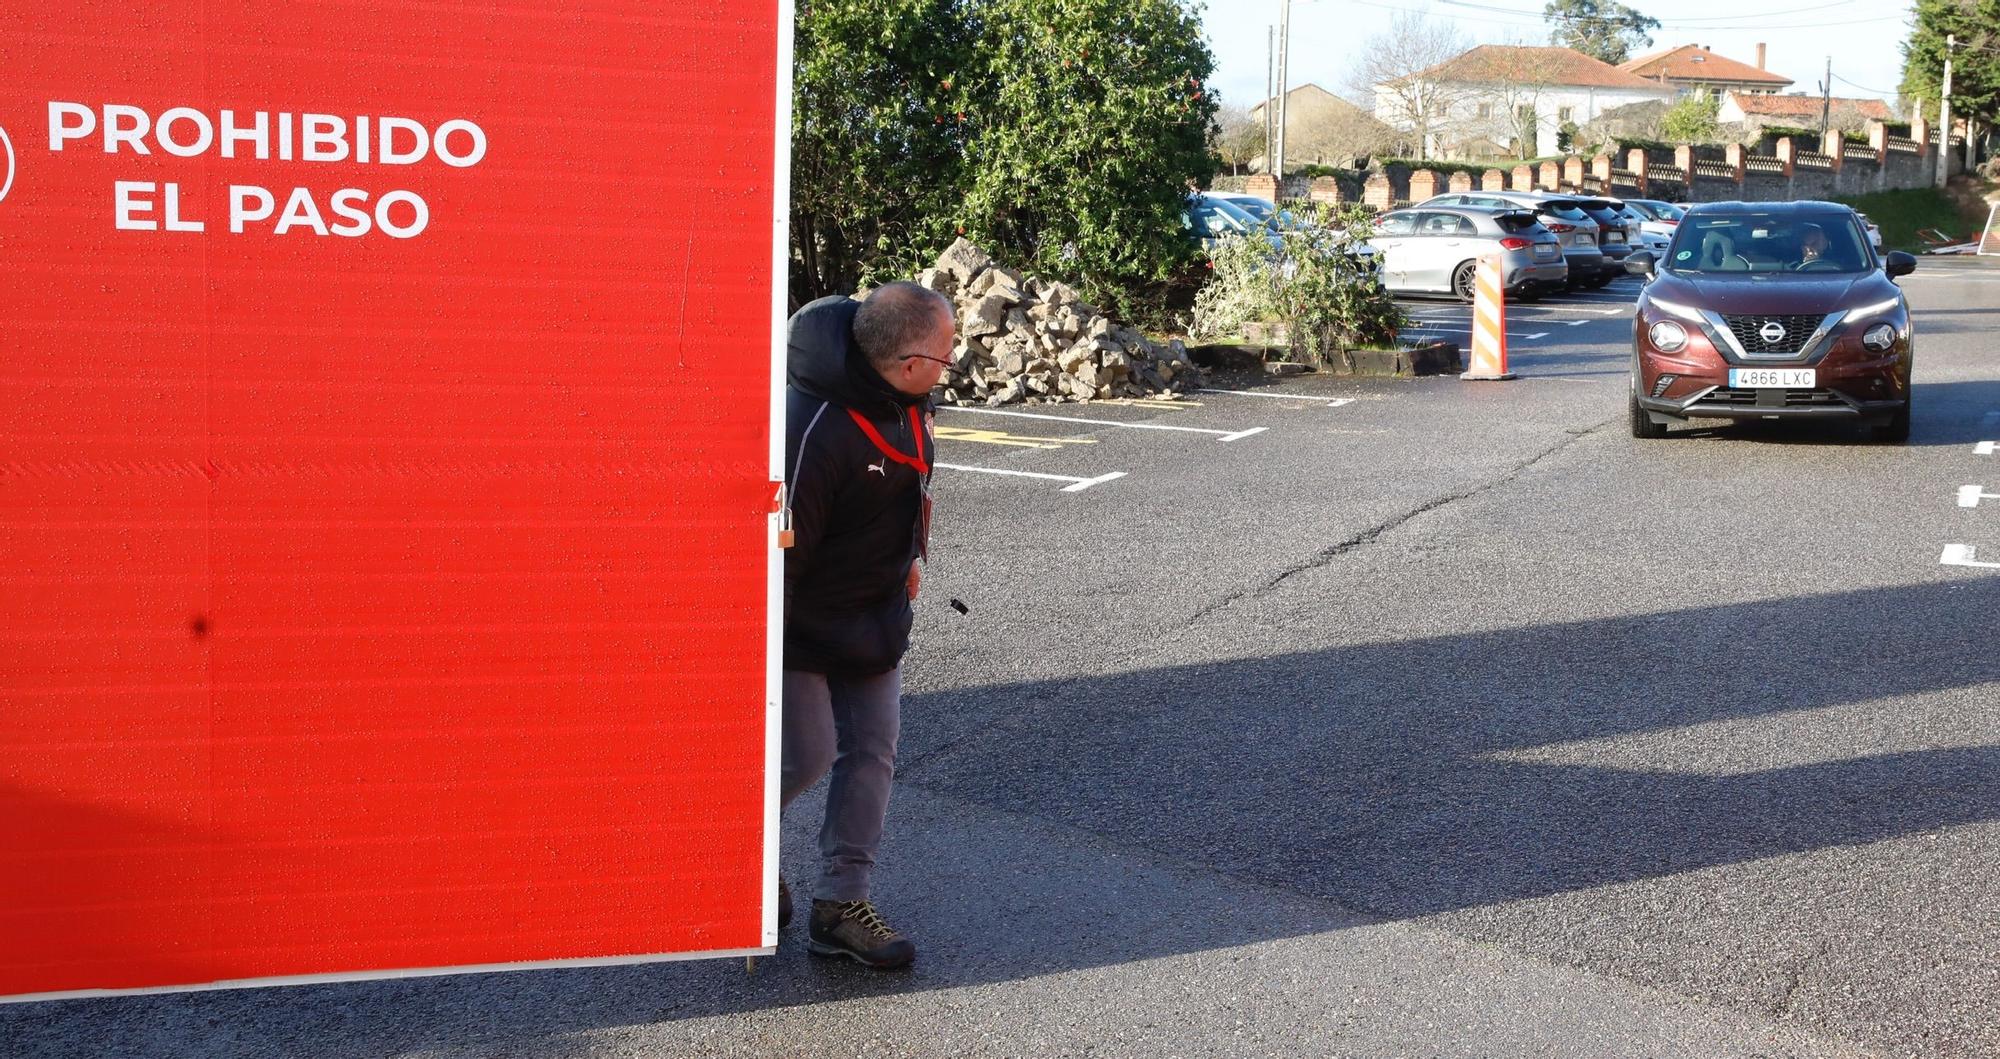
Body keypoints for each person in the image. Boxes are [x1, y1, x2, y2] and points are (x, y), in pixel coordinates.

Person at [777, 280, 953, 969]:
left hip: (874, 610)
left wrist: (909, 554)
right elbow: (782, 557)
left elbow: (913, 481)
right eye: (945, 354)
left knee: (873, 753)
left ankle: (838, 906)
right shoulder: (812, 430)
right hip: (802, 620)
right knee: (809, 752)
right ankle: (739, 855)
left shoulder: (907, 397)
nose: (949, 363)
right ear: (909, 362)